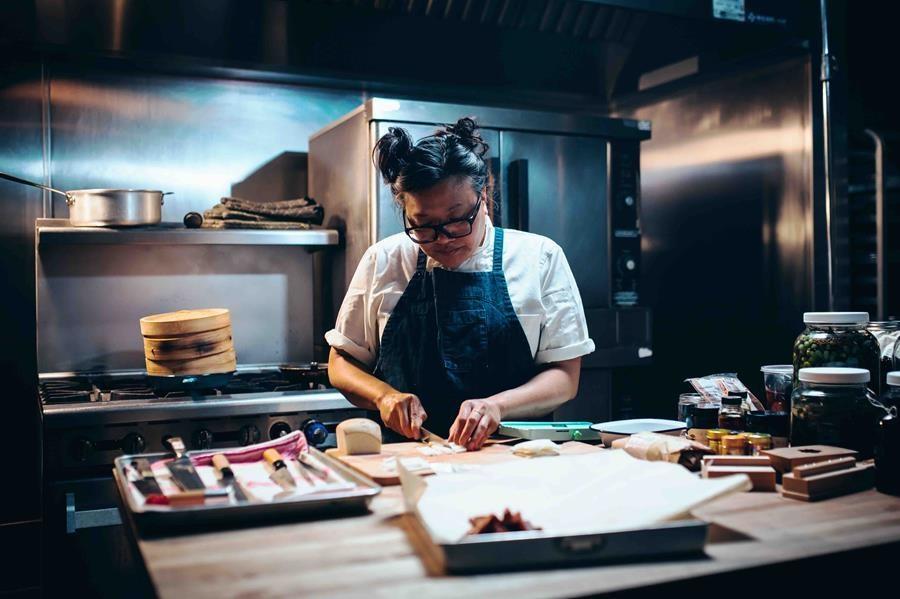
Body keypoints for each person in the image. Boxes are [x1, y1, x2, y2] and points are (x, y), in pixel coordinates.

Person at [326, 117, 594, 450]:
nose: (444, 239)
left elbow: (566, 377)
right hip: (410, 461)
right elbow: (341, 363)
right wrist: (384, 396)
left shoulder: (539, 258)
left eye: (457, 221)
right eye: (423, 226)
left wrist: (497, 406)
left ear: (484, 195)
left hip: (516, 461)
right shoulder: (384, 260)